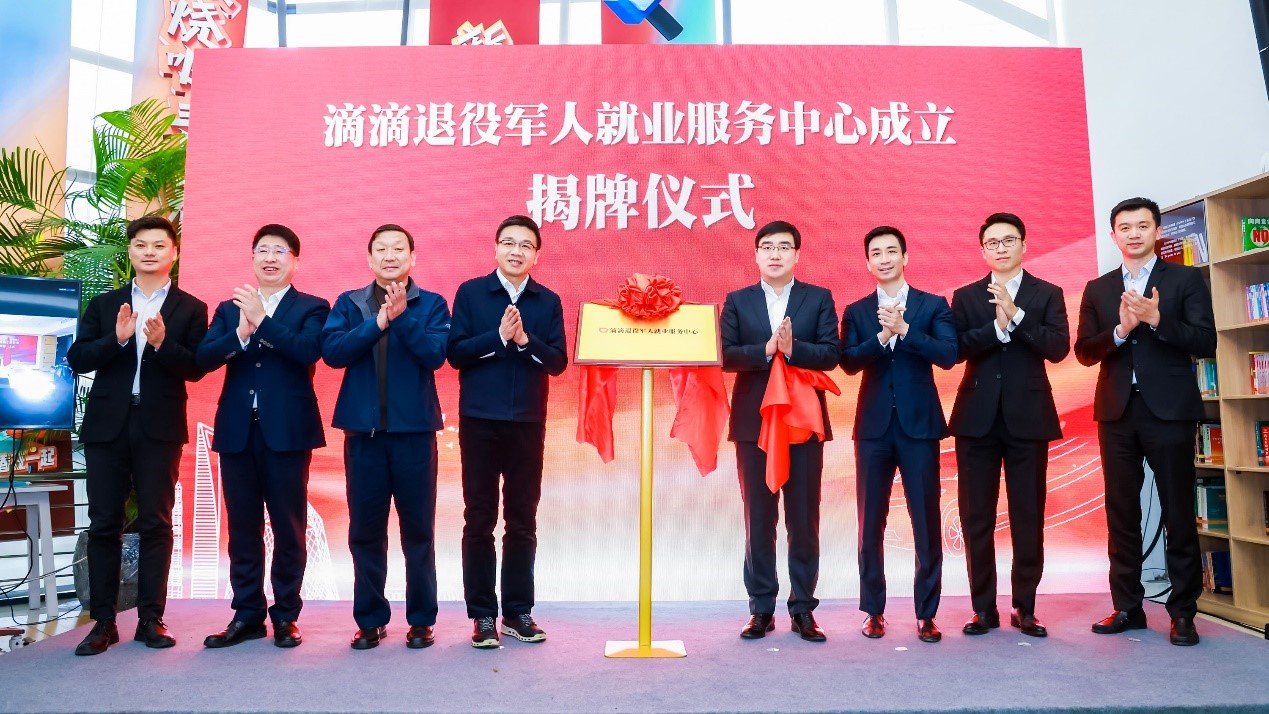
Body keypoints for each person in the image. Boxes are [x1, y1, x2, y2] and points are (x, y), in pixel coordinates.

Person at [1075, 197, 1215, 646]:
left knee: (1178, 510)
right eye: (1125, 227)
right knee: (1121, 512)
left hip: (1170, 411)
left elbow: (1206, 341)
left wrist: (1157, 319)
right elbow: (1084, 352)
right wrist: (1120, 331)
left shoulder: (1185, 279)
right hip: (1116, 412)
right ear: (1113, 235)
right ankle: (1128, 607)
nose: (1133, 234)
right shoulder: (1098, 288)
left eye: (1142, 226)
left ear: (1157, 231)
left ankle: (1183, 612)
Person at [68, 215, 208, 656]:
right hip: (107, 425)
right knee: (104, 523)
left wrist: (164, 344)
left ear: (174, 253)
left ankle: (151, 618)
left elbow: (196, 368)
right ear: (130, 251)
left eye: (158, 245)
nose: (149, 252)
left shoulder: (191, 308)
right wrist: (117, 339)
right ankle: (103, 622)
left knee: (156, 522)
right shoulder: (105, 304)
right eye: (141, 245)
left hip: (159, 425)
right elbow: (77, 358)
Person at [195, 224, 330, 649]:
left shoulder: (313, 306)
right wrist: (240, 332)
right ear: (252, 258)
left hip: (288, 432)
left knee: (289, 527)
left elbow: (308, 352)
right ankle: (247, 614)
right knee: (242, 528)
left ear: (295, 261)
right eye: (263, 250)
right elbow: (202, 359)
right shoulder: (229, 307)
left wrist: (263, 322)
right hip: (237, 431)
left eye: (279, 251)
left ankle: (286, 614)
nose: (270, 258)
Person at [322, 224, 450, 650]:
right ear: (369, 258)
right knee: (365, 531)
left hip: (415, 435)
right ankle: (370, 619)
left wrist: (403, 317)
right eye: (381, 249)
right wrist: (378, 322)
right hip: (364, 436)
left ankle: (421, 620)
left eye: (398, 249)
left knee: (419, 531)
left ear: (413, 257)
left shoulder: (431, 304)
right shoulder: (350, 303)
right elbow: (334, 353)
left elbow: (435, 354)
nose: (390, 255)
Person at [446, 215, 567, 649]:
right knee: (479, 519)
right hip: (479, 420)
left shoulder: (547, 300)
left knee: (522, 520)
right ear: (496, 248)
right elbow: (456, 353)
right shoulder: (472, 293)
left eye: (526, 245)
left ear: (537, 255)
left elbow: (557, 362)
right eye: (509, 243)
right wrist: (497, 337)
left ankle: (517, 612)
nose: (517, 251)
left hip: (528, 423)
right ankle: (482, 615)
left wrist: (524, 342)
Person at [948, 213, 1069, 638]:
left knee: (1028, 515)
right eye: (992, 243)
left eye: (1008, 240)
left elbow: (1057, 348)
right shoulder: (966, 296)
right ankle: (983, 608)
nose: (1000, 248)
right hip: (976, 419)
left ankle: (1025, 607)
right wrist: (996, 328)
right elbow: (955, 350)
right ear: (982, 250)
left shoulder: (1047, 293)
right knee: (975, 517)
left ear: (1024, 245)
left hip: (1029, 418)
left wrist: (1016, 316)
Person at [720, 220, 840, 643]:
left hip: (802, 422)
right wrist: (767, 350)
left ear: (797, 255)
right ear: (756, 254)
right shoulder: (738, 300)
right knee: (759, 518)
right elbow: (725, 355)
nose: (775, 254)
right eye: (767, 246)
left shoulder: (818, 298)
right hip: (754, 424)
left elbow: (831, 354)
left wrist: (793, 350)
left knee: (804, 519)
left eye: (784, 247)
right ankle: (761, 608)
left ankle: (803, 608)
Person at [841, 225, 957, 643]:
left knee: (925, 519)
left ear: (905, 257)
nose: (885, 258)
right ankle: (873, 611)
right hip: (873, 429)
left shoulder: (931, 305)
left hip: (919, 427)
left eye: (892, 251)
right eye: (876, 253)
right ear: (867, 262)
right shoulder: (857, 311)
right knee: (870, 521)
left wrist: (906, 331)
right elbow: (848, 361)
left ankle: (927, 613)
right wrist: (882, 336)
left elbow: (948, 354)